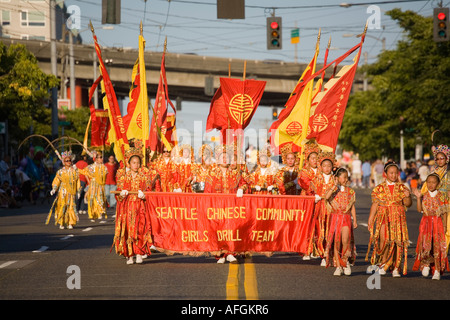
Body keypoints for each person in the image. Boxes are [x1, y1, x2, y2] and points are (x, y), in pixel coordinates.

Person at [366, 161, 412, 277]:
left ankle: (396, 267)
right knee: (385, 240)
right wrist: (371, 218)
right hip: (383, 217)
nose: (393, 175)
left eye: (395, 173)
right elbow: (375, 204)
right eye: (391, 173)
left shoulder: (402, 188)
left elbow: (408, 204)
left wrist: (408, 196)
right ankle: (384, 262)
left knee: (397, 242)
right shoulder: (379, 189)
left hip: (398, 217)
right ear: (385, 174)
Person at [113, 140, 153, 265]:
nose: (136, 165)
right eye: (133, 162)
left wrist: (144, 194)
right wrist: (122, 193)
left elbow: (148, 191)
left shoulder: (144, 177)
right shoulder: (123, 176)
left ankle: (139, 252)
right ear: (129, 164)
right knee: (128, 230)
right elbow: (118, 192)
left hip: (139, 207)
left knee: (140, 229)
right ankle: (129, 254)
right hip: (126, 207)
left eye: (138, 163)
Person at [204, 145, 245, 264]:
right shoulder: (212, 174)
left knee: (231, 229)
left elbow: (244, 184)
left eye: (227, 157)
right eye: (222, 157)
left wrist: (241, 188)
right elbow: (207, 192)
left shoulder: (236, 174)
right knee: (218, 230)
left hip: (232, 207)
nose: (225, 159)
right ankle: (220, 254)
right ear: (218, 159)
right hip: (217, 207)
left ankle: (231, 253)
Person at [412, 173, 449, 280]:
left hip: (438, 223)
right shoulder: (424, 195)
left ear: (438, 184)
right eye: (429, 182)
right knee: (425, 245)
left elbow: (444, 212)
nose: (431, 185)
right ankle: (426, 265)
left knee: (437, 245)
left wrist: (445, 225)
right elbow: (420, 210)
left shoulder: (441, 196)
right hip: (426, 222)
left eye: (433, 182)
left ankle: (437, 269)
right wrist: (418, 198)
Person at [324, 167, 357, 276]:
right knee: (336, 242)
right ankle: (338, 265)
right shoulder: (333, 190)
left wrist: (355, 220)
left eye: (346, 177)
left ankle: (345, 262)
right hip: (335, 218)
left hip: (346, 218)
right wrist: (334, 185)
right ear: (337, 178)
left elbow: (352, 207)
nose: (345, 179)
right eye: (343, 177)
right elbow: (326, 197)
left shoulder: (350, 191)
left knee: (345, 240)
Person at [308, 151, 337, 266]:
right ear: (321, 167)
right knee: (321, 231)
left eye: (329, 166)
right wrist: (315, 197)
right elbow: (311, 192)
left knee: (332, 231)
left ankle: (333, 254)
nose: (326, 168)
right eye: (324, 166)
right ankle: (323, 254)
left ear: (332, 167)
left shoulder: (335, 179)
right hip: (320, 208)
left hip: (332, 209)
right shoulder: (316, 178)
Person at [421, 144, 450, 255]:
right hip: (436, 205)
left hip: (448, 205)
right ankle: (432, 254)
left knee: (448, 231)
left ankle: (442, 254)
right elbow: (425, 188)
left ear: (447, 159)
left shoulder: (449, 173)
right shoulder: (434, 173)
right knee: (434, 232)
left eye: (442, 158)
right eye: (437, 158)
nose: (439, 161)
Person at [47, 151, 80, 229]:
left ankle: (70, 222)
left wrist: (78, 191)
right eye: (67, 161)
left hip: (71, 192)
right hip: (63, 192)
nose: (68, 162)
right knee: (62, 206)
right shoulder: (60, 172)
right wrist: (54, 189)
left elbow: (77, 181)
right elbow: (57, 181)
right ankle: (62, 222)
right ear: (63, 162)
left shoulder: (74, 171)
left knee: (71, 207)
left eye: (69, 160)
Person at [80, 151, 108, 222]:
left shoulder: (103, 167)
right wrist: (88, 181)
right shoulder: (91, 167)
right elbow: (84, 172)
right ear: (96, 159)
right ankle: (92, 215)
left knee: (100, 198)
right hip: (93, 185)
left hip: (100, 186)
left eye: (102, 157)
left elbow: (105, 175)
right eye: (100, 157)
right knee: (92, 199)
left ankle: (99, 213)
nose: (102, 159)